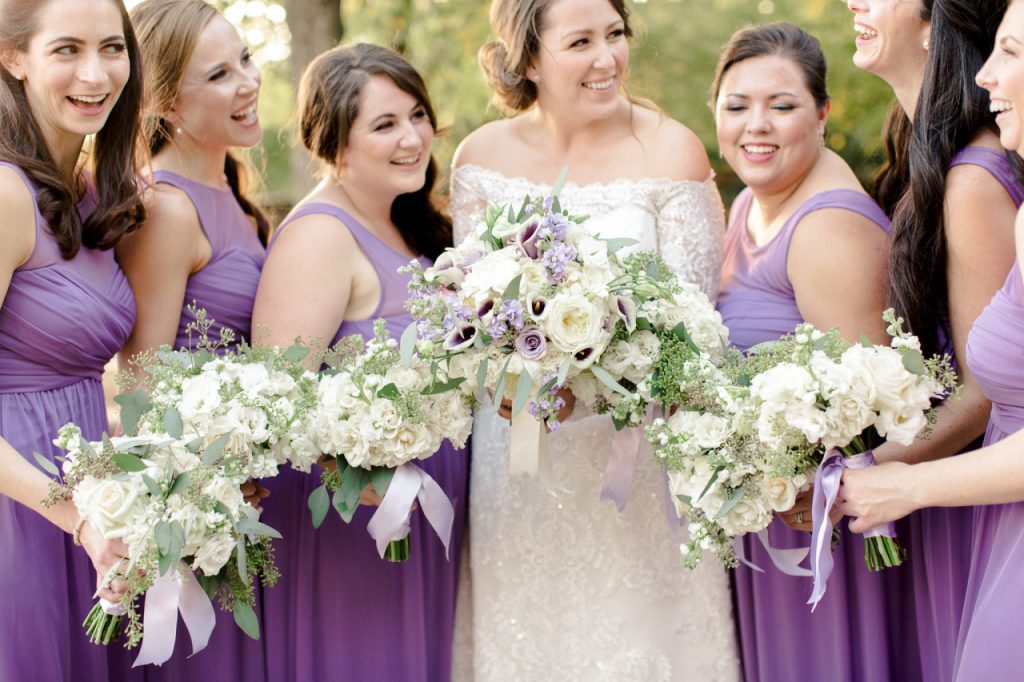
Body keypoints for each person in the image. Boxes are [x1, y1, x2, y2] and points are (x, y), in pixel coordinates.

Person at [449, 0, 740, 678]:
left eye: (615, 35)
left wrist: (608, 383)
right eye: (580, 41)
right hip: (521, 449)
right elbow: (475, 316)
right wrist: (524, 378)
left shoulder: (671, 149)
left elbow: (694, 327)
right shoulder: (481, 159)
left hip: (637, 461)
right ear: (527, 58)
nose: (607, 59)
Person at [250, 43, 468, 681]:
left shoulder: (407, 223)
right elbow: (275, 404)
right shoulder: (320, 235)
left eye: (418, 114)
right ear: (334, 144)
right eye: (385, 124)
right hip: (360, 522)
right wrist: (359, 466)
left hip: (422, 515)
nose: (413, 137)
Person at [710, 22, 911, 682]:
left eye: (782, 105)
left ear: (823, 113)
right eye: (736, 105)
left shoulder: (829, 227)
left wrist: (798, 474)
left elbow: (878, 411)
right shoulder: (747, 205)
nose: (754, 126)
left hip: (828, 534)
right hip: (768, 518)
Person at [841, 2, 1024, 676]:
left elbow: (984, 390)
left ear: (932, 21)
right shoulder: (922, 152)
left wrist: (876, 473)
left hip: (973, 486)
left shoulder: (972, 180)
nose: (855, 2)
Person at [115, 1, 270, 677]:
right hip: (194, 507)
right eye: (220, 74)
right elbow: (141, 377)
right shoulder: (167, 208)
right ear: (168, 103)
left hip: (245, 490)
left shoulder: (234, 192)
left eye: (246, 60)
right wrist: (189, 507)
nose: (248, 82)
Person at [0, 0, 145, 678]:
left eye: (112, 48)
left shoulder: (91, 195)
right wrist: (74, 514)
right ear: (13, 57)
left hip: (91, 511)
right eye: (67, 50)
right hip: (19, 510)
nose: (96, 73)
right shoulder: (5, 194)